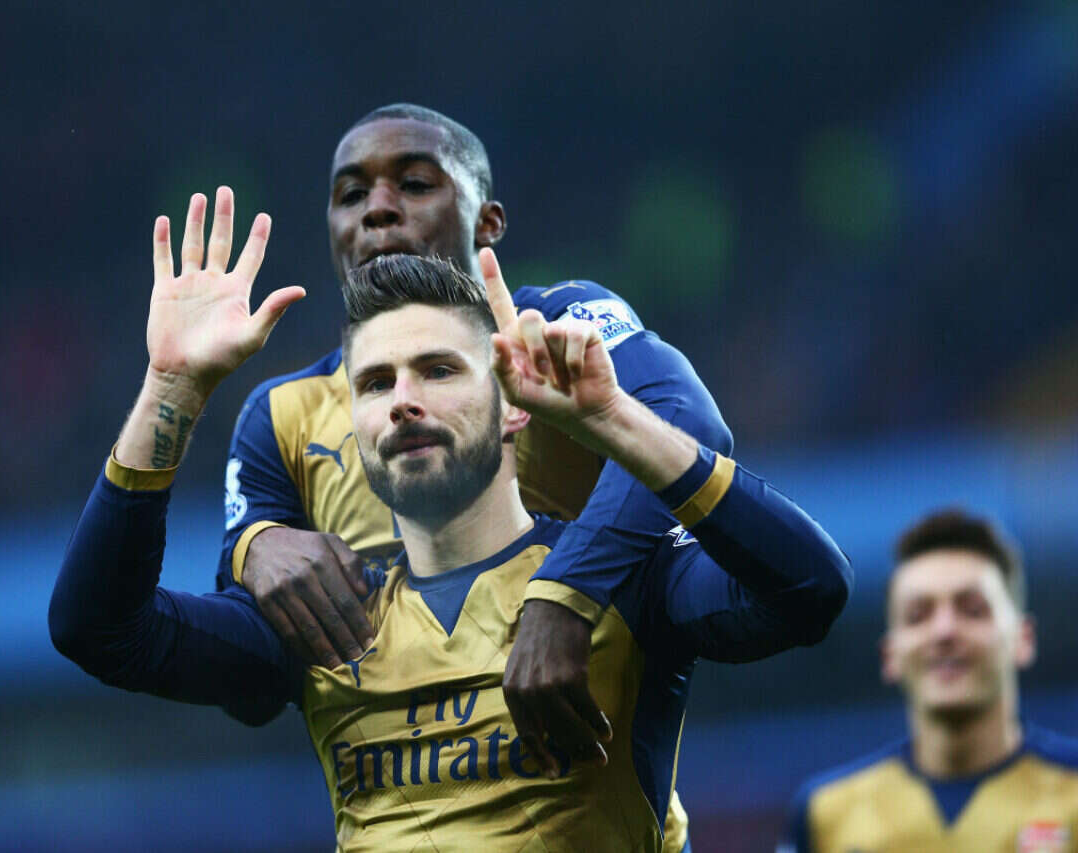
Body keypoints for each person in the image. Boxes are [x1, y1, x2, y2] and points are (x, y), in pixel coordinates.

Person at [49, 194, 851, 851]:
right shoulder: (327, 623)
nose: (403, 399)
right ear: (355, 427)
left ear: (513, 408)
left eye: (438, 370)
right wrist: (173, 389)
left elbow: (811, 589)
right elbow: (98, 630)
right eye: (375, 383)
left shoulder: (625, 584)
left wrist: (614, 419)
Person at [222, 103, 733, 777]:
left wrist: (567, 588)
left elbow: (691, 430)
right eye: (351, 195)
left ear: (487, 222)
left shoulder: (557, 328)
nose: (378, 209)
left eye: (414, 184)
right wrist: (251, 547)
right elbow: (248, 692)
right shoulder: (280, 412)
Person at [782, 509, 1078, 853]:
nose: (944, 630)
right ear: (889, 655)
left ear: (1023, 639)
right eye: (917, 615)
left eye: (973, 610)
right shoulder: (825, 814)